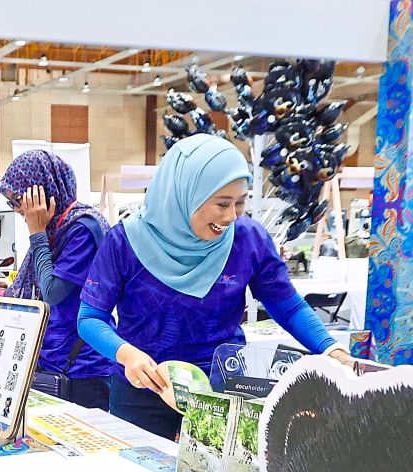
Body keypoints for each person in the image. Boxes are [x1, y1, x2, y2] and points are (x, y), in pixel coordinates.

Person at [79, 134, 352, 439]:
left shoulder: (247, 239)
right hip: (144, 391)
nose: (231, 216)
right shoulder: (124, 242)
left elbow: (287, 305)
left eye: (240, 202)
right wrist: (125, 353)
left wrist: (330, 348)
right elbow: (90, 317)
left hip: (224, 391)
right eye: (222, 204)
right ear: (184, 195)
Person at [0, 150, 113, 410]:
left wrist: (36, 232)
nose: (18, 210)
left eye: (18, 200)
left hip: (83, 369)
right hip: (52, 362)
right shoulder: (58, 229)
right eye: (12, 203)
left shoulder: (82, 228)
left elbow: (51, 291)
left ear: (43, 192)